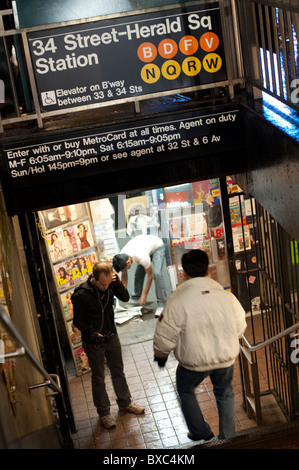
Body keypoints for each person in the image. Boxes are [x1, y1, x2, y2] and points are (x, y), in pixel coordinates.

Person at [153, 249, 247, 443]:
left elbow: (165, 332)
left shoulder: (178, 300)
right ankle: (227, 438)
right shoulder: (224, 295)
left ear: (184, 273)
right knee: (224, 392)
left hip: (194, 362)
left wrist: (161, 354)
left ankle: (200, 432)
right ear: (208, 269)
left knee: (185, 390)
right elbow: (240, 323)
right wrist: (229, 339)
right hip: (225, 358)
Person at [71, 261, 145, 429]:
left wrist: (117, 284)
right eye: (101, 284)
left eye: (108, 283)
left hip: (112, 337)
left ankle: (125, 403)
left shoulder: (112, 284)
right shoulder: (81, 294)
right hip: (93, 342)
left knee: (118, 371)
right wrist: (91, 332)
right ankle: (104, 413)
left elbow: (125, 298)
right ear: (93, 278)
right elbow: (78, 321)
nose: (105, 287)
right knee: (98, 378)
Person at [112, 234, 167, 315]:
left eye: (125, 269)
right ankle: (136, 297)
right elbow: (124, 274)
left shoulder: (141, 256)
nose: (125, 271)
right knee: (138, 274)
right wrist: (123, 295)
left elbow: (150, 275)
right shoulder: (122, 256)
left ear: (128, 262)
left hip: (157, 246)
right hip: (143, 246)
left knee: (157, 274)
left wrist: (145, 294)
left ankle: (162, 303)